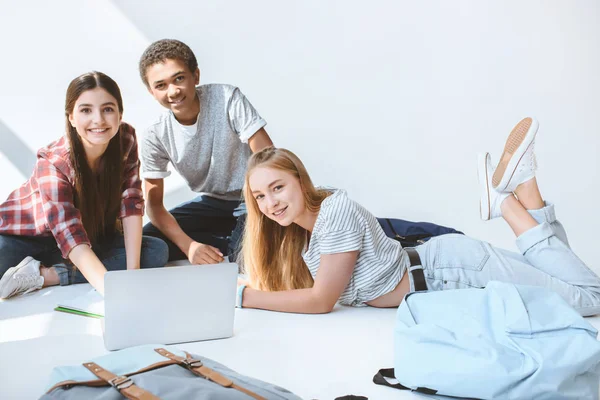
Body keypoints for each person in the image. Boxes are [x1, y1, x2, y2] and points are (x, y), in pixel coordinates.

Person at [237, 117, 600, 316]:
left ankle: (504, 203)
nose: (271, 203)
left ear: (300, 180)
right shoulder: (306, 233)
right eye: (260, 197)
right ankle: (527, 186)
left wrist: (245, 297)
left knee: (590, 299)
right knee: (561, 279)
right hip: (446, 268)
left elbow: (321, 300)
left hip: (452, 270)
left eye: (278, 187)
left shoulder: (333, 213)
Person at [0, 72, 168, 299]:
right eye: (86, 110)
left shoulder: (125, 138)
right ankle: (47, 267)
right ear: (71, 117)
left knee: (156, 252)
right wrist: (117, 296)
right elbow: (68, 232)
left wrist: (132, 275)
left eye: (108, 109)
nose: (98, 120)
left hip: (83, 238)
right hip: (24, 237)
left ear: (120, 113)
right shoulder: (53, 162)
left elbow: (131, 202)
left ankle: (46, 274)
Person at [138, 39, 273, 265]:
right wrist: (190, 246)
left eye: (179, 78)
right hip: (213, 204)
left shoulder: (226, 98)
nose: (173, 91)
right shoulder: (155, 134)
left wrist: (263, 201)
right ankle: (228, 242)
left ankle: (239, 242)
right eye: (161, 85)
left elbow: (268, 157)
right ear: (152, 91)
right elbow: (154, 205)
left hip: (252, 198)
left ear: (196, 76)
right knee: (147, 240)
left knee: (247, 259)